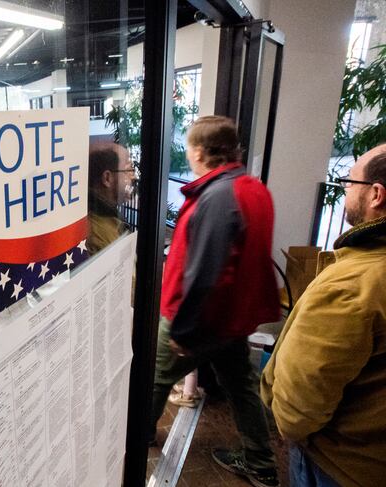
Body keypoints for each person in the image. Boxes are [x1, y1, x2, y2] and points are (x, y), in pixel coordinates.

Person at [150, 116, 281, 487]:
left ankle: (139, 440)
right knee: (240, 386)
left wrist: (184, 330)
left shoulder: (219, 196)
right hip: (232, 319)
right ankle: (261, 462)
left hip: (199, 318)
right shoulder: (252, 187)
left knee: (155, 378)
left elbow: (206, 271)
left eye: (190, 148)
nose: (188, 155)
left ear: (201, 152)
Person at [261, 144, 386, 487]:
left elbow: (302, 398)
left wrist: (287, 423)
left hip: (338, 464)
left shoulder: (354, 284)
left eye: (350, 182)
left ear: (376, 194)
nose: (344, 190)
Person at [86, 142, 135, 254]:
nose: (134, 177)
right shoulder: (97, 233)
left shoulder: (108, 216)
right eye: (128, 170)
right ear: (107, 178)